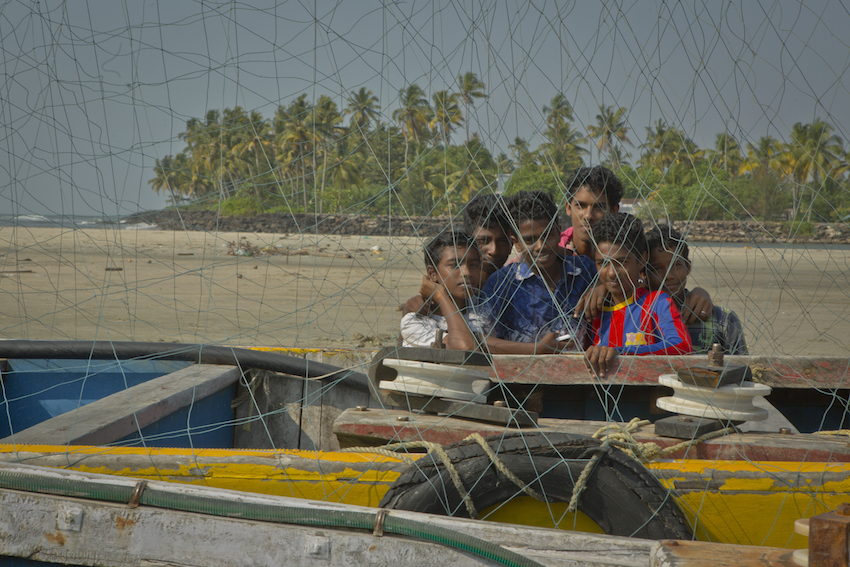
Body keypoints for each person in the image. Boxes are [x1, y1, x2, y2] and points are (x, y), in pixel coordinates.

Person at [481, 190, 595, 354]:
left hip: (579, 377)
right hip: (519, 376)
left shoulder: (584, 270)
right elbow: (477, 339)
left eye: (548, 235)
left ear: (559, 231)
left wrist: (599, 286)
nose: (541, 246)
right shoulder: (501, 283)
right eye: (529, 239)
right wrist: (536, 349)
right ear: (516, 243)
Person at [585, 213, 692, 375]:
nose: (612, 273)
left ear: (641, 260)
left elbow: (681, 345)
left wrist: (621, 352)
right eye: (603, 263)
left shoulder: (657, 302)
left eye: (622, 262)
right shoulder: (594, 309)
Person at [400, 193, 512, 315]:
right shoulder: (447, 291)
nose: (493, 250)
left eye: (503, 241)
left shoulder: (518, 287)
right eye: (483, 241)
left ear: (513, 242)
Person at [645, 224, 748, 354]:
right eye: (657, 268)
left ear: (688, 267)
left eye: (676, 265)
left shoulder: (722, 320)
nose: (669, 276)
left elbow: (742, 370)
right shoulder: (637, 317)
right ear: (644, 273)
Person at [400, 231, 484, 350]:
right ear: (432, 273)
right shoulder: (417, 321)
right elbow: (466, 347)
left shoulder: (484, 309)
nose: (467, 273)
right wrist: (440, 296)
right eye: (455, 265)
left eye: (474, 265)